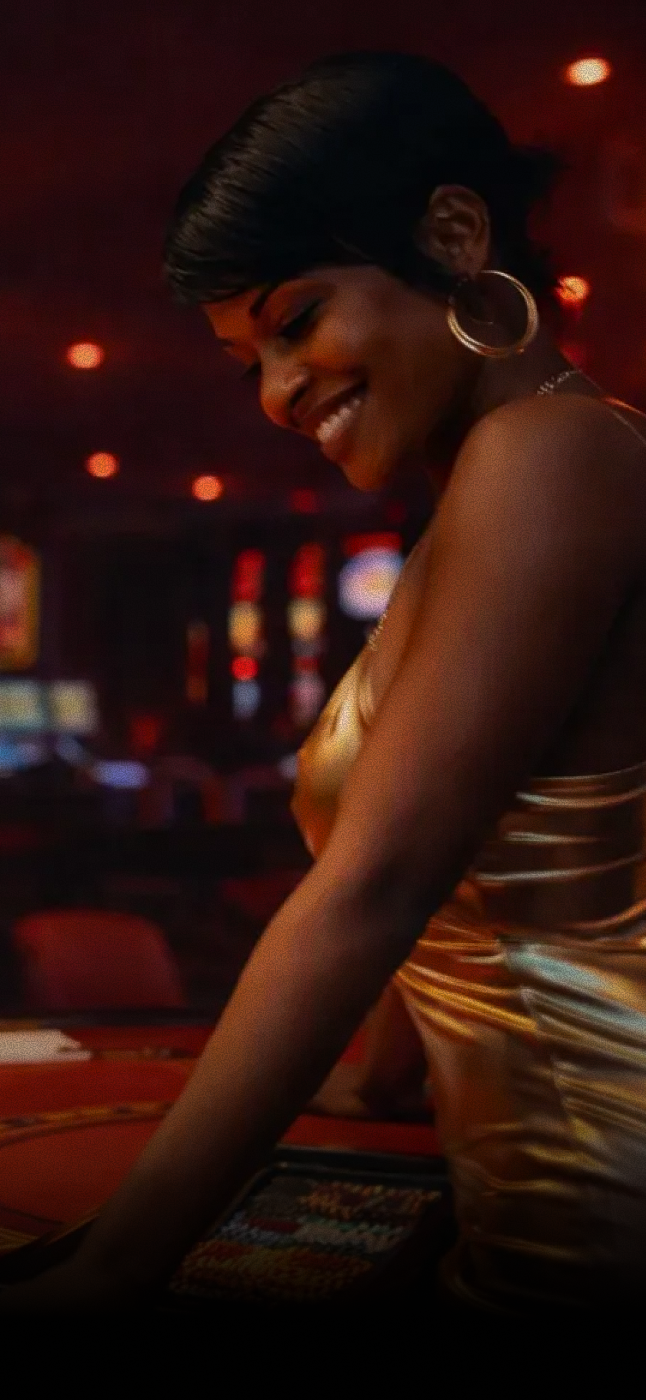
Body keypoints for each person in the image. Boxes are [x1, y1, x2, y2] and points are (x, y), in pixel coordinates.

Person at [4, 48, 646, 1316]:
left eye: (295, 320)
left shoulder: (554, 449)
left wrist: (112, 1268)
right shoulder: (489, 491)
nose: (281, 392)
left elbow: (379, 881)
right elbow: (462, 865)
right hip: (530, 1172)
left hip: (597, 1197)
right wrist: (379, 1078)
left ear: (454, 233)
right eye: (249, 361)